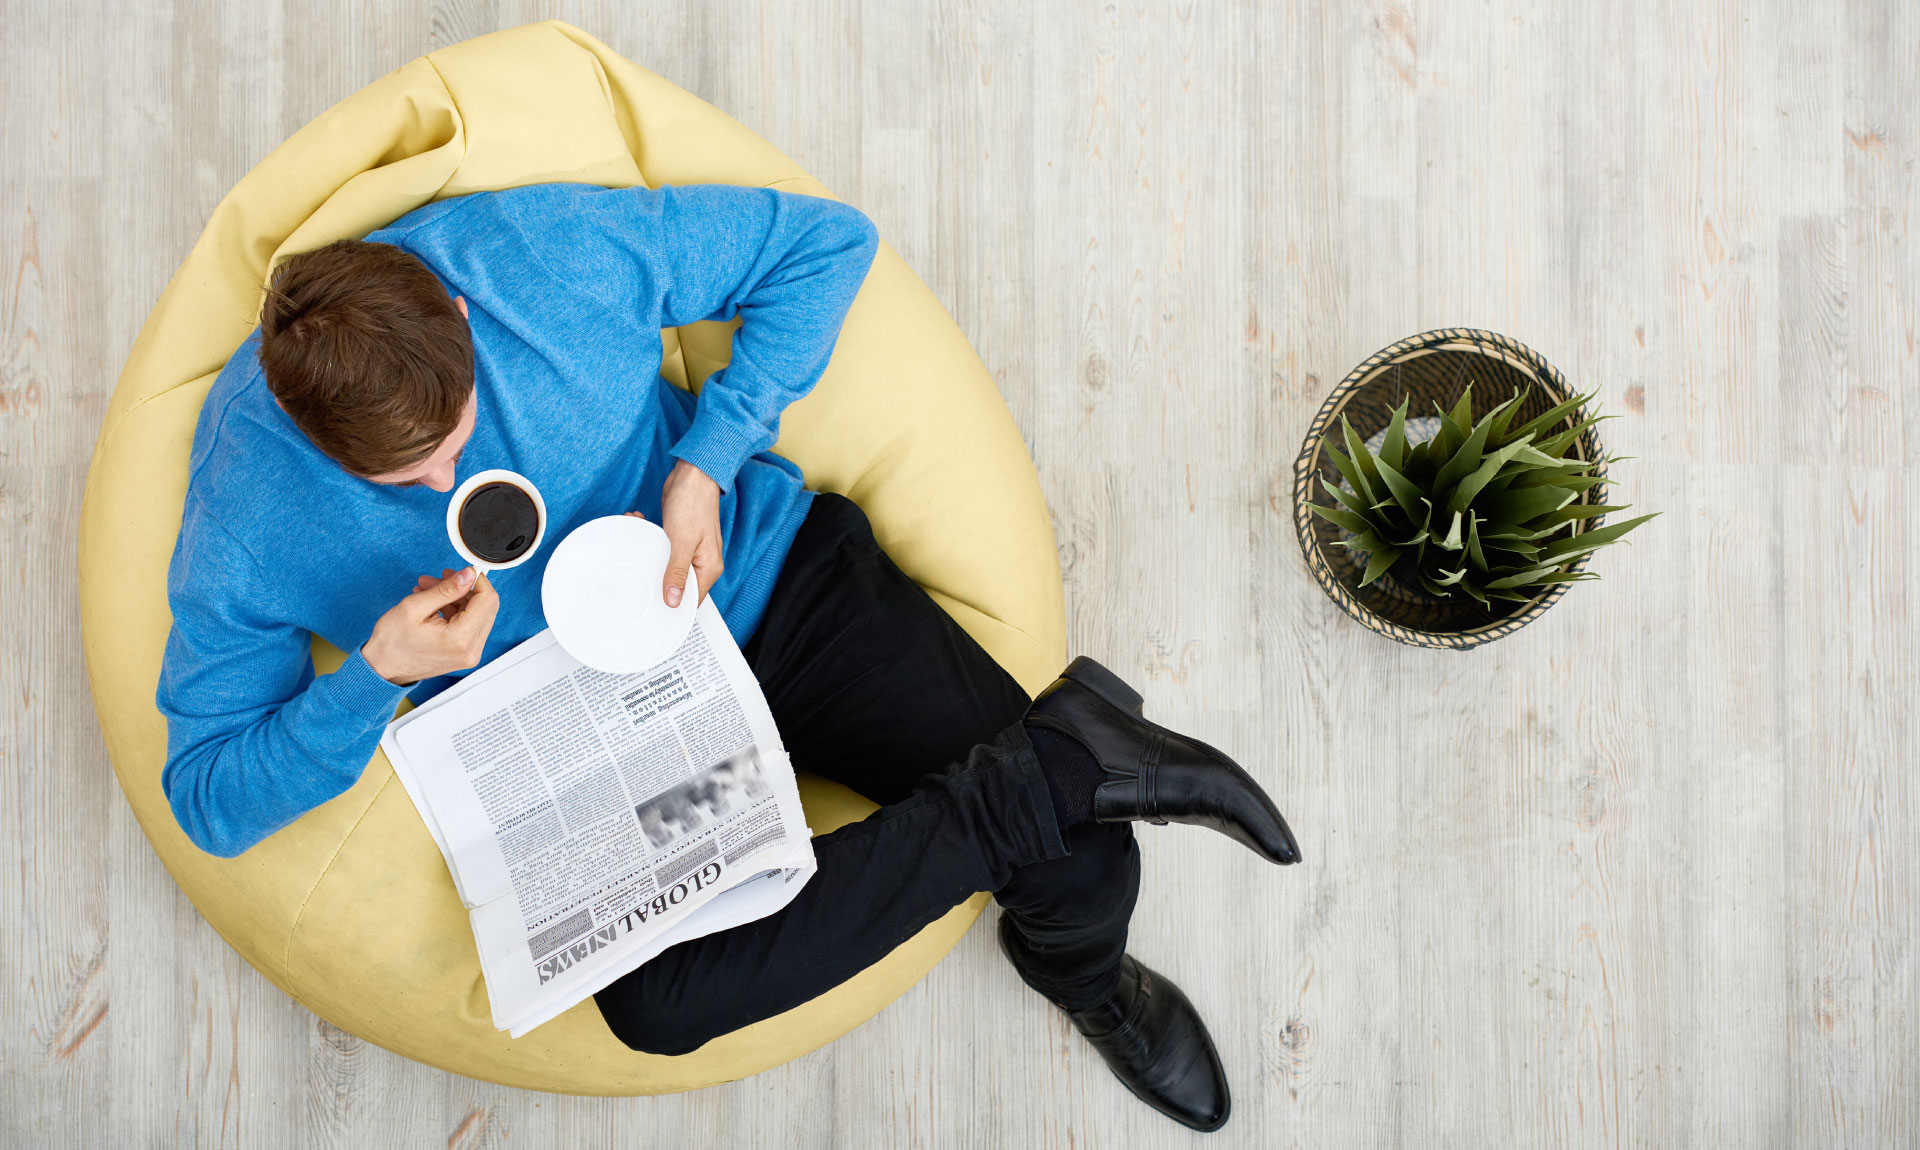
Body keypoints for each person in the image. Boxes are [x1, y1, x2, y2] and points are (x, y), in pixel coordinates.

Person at [157, 182, 1300, 1133]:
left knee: (1088, 872)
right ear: (307, 438)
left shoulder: (539, 258)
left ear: (461, 310)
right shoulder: (244, 508)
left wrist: (709, 453)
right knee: (653, 1007)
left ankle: (1084, 975)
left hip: (753, 584)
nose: (450, 487)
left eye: (459, 435)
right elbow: (206, 797)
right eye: (403, 483)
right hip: (597, 741)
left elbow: (822, 245)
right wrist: (376, 678)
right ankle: (1050, 769)